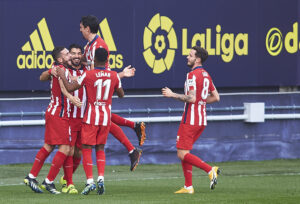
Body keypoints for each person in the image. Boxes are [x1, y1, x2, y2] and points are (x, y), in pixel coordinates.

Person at [80, 15, 146, 170]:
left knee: (103, 119)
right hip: (93, 86)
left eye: (81, 27)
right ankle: (133, 134)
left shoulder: (99, 46)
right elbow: (89, 65)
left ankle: (132, 146)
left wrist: (121, 75)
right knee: (104, 118)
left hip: (98, 87)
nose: (80, 30)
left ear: (88, 28)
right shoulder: (89, 46)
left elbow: (104, 72)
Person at [57, 47, 123, 195]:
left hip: (91, 117)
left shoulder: (89, 74)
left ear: (94, 59)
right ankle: (101, 178)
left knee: (86, 148)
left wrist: (61, 74)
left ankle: (90, 182)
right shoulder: (113, 76)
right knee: (100, 148)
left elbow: (70, 87)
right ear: (107, 60)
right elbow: (121, 94)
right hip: (106, 118)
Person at [162, 46, 221, 194]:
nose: (187, 57)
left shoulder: (192, 75)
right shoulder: (206, 75)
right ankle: (188, 187)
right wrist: (201, 101)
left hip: (190, 119)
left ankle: (210, 169)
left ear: (198, 59)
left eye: (190, 55)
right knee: (185, 152)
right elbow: (216, 97)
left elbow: (191, 98)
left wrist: (172, 94)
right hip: (201, 120)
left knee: (181, 154)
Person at [24, 47, 80, 194]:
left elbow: (47, 77)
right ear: (60, 59)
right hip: (59, 114)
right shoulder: (59, 69)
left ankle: (31, 176)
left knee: (49, 146)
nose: (71, 55)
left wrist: (85, 78)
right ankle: (48, 181)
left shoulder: (59, 68)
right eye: (68, 53)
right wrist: (72, 98)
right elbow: (63, 87)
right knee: (66, 148)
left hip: (54, 112)